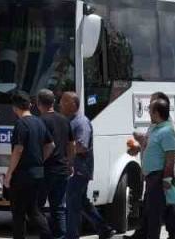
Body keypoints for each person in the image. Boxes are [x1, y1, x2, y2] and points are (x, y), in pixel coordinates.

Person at [59, 92, 115, 239]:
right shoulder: (69, 121)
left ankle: (71, 235)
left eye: (64, 101)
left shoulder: (81, 123)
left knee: (72, 202)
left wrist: (63, 149)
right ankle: (104, 229)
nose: (60, 104)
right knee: (82, 202)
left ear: (73, 104)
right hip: (75, 168)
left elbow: (82, 146)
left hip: (79, 169)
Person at [0, 91, 52, 239]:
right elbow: (51, 145)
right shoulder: (39, 122)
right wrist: (40, 159)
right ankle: (48, 235)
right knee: (33, 210)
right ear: (29, 105)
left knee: (18, 212)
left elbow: (18, 149)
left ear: (14, 107)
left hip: (22, 175)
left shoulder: (21, 123)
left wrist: (9, 173)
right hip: (38, 173)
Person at [138, 99, 175, 239]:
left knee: (154, 213)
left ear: (157, 113)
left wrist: (167, 179)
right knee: (162, 209)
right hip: (151, 177)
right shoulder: (155, 128)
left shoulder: (167, 132)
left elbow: (170, 157)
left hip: (158, 177)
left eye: (150, 110)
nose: (148, 112)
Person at [36, 89, 71, 239]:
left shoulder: (40, 121)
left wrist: (39, 162)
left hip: (45, 170)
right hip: (62, 169)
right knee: (58, 208)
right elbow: (71, 144)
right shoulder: (64, 120)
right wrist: (70, 162)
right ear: (54, 102)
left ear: (38, 103)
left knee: (37, 207)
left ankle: (46, 235)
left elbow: (44, 146)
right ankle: (60, 236)